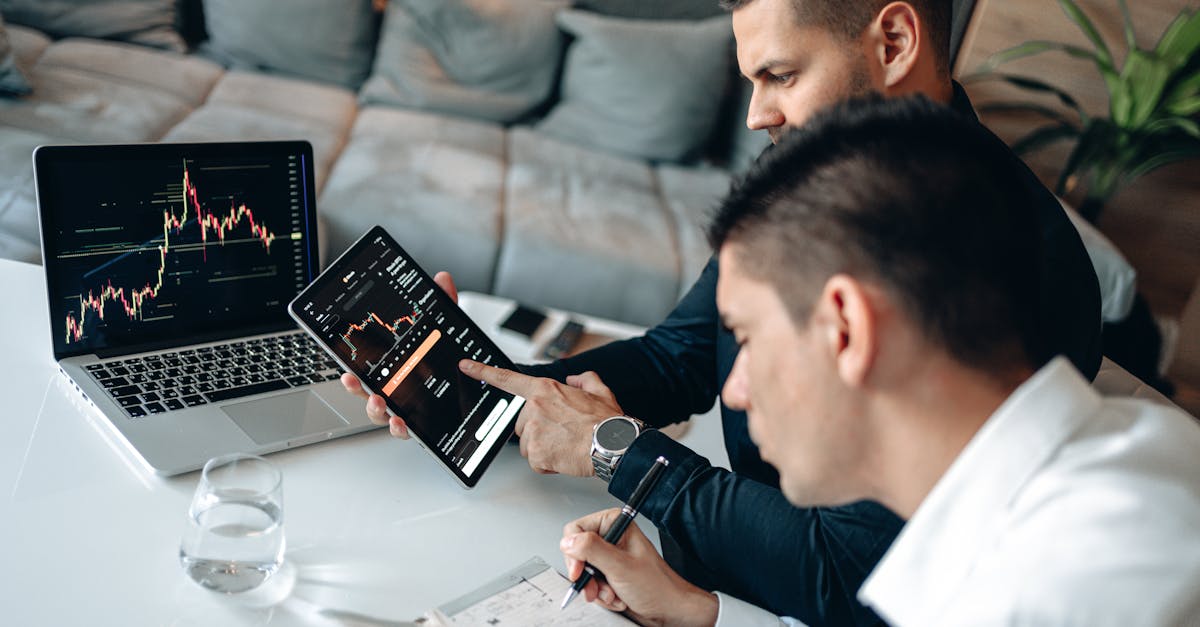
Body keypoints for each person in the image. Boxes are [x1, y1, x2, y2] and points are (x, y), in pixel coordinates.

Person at [343, 0, 1103, 623]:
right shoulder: (811, 165)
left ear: (895, 41)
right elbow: (681, 355)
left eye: (781, 74)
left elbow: (855, 570)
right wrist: (476, 385)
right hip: (716, 594)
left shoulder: (1020, 272)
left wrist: (621, 452)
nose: (756, 117)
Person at [557, 95, 1200, 626]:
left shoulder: (1051, 592)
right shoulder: (1150, 447)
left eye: (749, 339)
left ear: (848, 329)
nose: (737, 390)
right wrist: (698, 614)